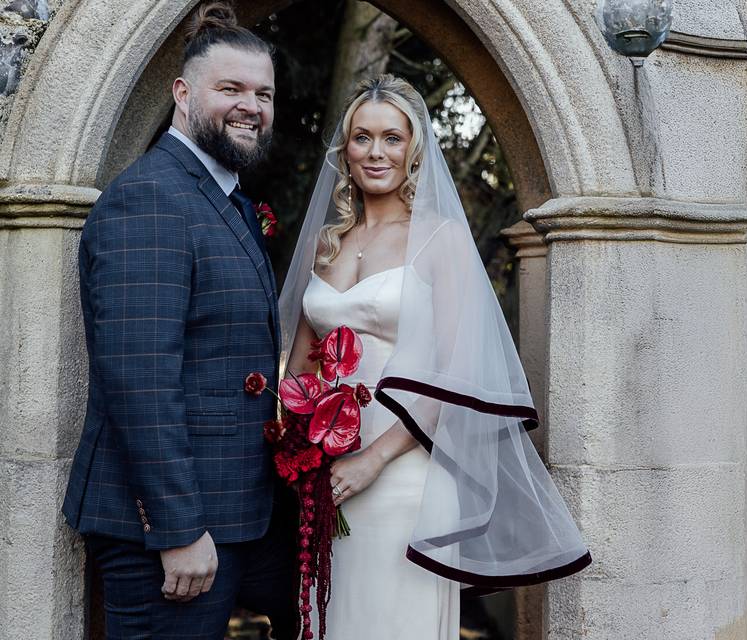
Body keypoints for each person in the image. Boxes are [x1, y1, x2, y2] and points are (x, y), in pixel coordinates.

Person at [280, 74, 591, 639]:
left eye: (392, 138)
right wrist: (303, 454)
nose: (376, 152)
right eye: (362, 137)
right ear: (345, 152)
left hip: (406, 471)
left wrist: (374, 457)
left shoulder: (439, 238)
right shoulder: (326, 243)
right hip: (327, 476)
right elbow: (300, 368)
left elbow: (459, 371)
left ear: (414, 149)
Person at [61, 3, 297, 638]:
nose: (252, 106)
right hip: (171, 534)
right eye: (232, 89)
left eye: (264, 93)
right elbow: (140, 379)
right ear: (183, 94)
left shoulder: (223, 197)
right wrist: (178, 528)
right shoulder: (151, 198)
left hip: (238, 509)